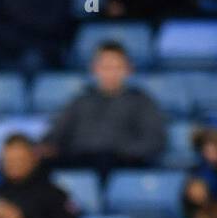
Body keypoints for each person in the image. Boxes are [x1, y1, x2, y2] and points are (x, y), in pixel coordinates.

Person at [42, 41, 166, 176]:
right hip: (81, 161)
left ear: (128, 70)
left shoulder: (142, 101)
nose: (111, 73)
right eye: (105, 67)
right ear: (94, 69)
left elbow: (155, 141)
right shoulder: (80, 101)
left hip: (124, 164)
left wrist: (122, 150)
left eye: (117, 67)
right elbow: (55, 136)